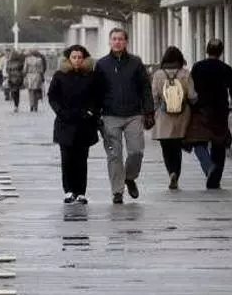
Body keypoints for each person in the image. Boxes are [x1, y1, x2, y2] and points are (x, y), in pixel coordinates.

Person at [94, 28, 154, 204]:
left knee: (136, 151)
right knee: (114, 155)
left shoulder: (136, 63)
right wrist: (95, 114)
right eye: (114, 39)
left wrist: (149, 111)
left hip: (133, 114)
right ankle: (117, 191)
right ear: (110, 42)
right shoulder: (102, 64)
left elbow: (145, 88)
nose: (117, 42)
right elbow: (96, 91)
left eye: (120, 39)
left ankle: (129, 177)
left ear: (126, 42)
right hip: (110, 115)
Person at [184, 39, 232, 189]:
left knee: (198, 142)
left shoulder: (198, 67)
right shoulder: (226, 69)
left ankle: (208, 167)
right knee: (219, 144)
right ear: (221, 52)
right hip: (220, 112)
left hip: (201, 110)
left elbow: (191, 89)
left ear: (207, 50)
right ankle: (215, 178)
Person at [48, 45, 99, 204]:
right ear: (68, 59)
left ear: (84, 59)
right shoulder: (60, 76)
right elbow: (52, 96)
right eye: (74, 57)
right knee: (67, 158)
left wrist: (91, 111)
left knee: (82, 159)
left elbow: (97, 96)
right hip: (65, 122)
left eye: (80, 57)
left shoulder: (91, 76)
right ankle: (69, 191)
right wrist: (60, 112)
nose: (77, 60)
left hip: (85, 123)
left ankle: (81, 192)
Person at [150, 46, 197, 190]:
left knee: (166, 148)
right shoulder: (185, 73)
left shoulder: (158, 74)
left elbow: (154, 97)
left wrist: (153, 111)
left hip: (163, 116)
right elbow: (192, 96)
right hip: (182, 115)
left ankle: (171, 172)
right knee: (177, 147)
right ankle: (176, 172)